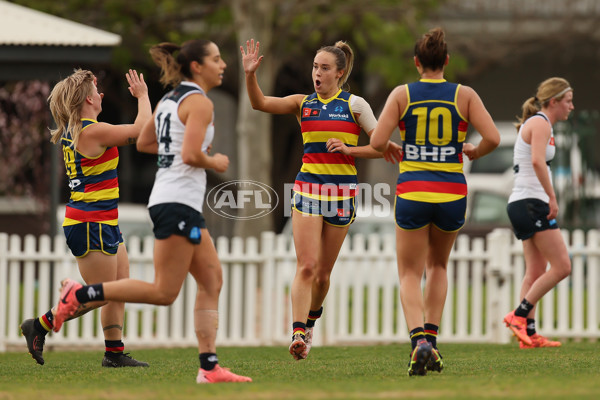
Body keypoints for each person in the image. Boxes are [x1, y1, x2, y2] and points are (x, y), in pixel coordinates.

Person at [51, 40, 251, 383]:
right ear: (197, 67)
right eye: (216, 59)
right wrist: (210, 157)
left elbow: (148, 142)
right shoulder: (192, 103)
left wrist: (182, 144)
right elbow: (161, 142)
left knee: (211, 278)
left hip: (128, 211)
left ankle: (205, 366)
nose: (223, 65)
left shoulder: (170, 101)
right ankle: (74, 299)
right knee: (162, 292)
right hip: (126, 212)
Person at [240, 39, 402, 360]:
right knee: (307, 266)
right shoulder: (302, 103)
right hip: (308, 190)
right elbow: (259, 103)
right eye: (315, 67)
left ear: (339, 73)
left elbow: (381, 146)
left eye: (325, 68)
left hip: (342, 194)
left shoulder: (356, 106)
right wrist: (249, 75)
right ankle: (298, 331)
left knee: (324, 275)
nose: (317, 73)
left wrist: (348, 150)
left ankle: (311, 321)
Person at [370, 27, 500, 376]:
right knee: (439, 267)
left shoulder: (402, 94)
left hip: (413, 191)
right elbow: (493, 138)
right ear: (446, 60)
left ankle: (418, 342)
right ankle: (432, 338)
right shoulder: (464, 94)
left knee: (410, 272)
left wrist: (391, 146)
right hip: (452, 193)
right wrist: (473, 149)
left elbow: (378, 140)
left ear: (416, 63)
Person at [20, 68, 151, 367]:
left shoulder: (80, 129)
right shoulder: (93, 130)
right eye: (97, 89)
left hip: (101, 220)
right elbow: (142, 128)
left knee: (120, 285)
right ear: (88, 98)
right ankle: (40, 324)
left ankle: (114, 354)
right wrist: (143, 96)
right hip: (91, 222)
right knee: (103, 293)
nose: (101, 93)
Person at [503, 78, 573, 348]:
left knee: (535, 271)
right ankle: (518, 316)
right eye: (568, 100)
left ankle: (528, 335)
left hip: (522, 202)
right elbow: (536, 161)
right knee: (562, 266)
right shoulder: (541, 123)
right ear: (553, 101)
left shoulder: (540, 123)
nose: (572, 106)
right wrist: (552, 197)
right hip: (532, 202)